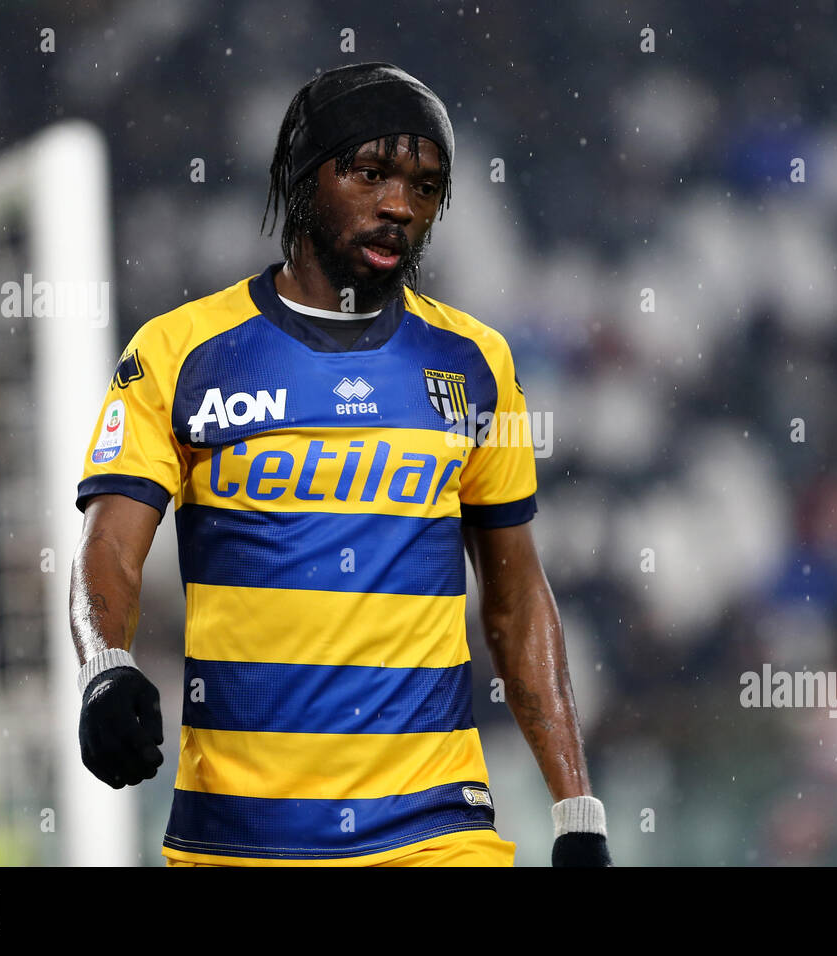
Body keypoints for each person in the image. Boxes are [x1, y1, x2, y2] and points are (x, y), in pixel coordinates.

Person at [69, 61, 611, 867]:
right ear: (303, 177)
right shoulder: (181, 352)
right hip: (237, 838)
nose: (399, 206)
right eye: (371, 172)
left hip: (436, 834)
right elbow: (107, 546)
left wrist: (577, 811)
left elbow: (516, 595)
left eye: (427, 188)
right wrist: (106, 669)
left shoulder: (475, 364)